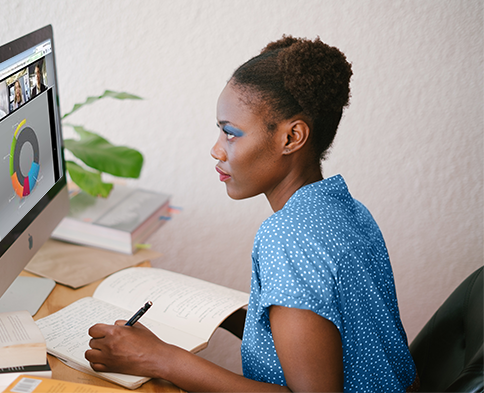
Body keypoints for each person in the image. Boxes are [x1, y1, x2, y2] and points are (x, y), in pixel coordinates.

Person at [85, 35, 419, 393]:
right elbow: (335, 334)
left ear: (291, 138)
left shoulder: (287, 237)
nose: (216, 150)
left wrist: (160, 358)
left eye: (231, 133)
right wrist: (234, 318)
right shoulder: (347, 209)